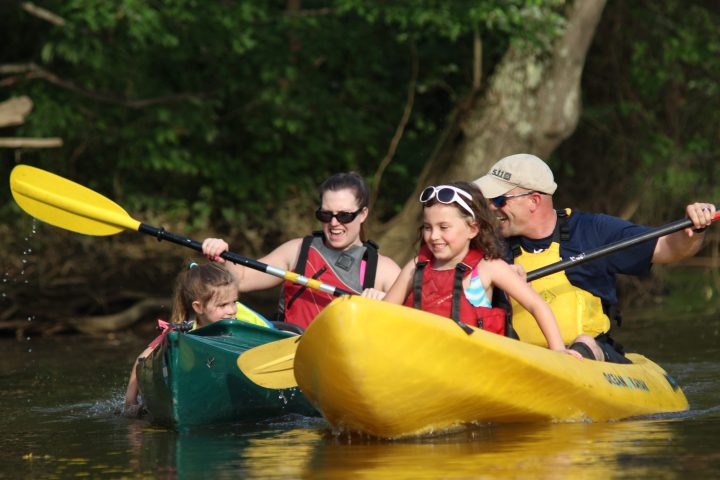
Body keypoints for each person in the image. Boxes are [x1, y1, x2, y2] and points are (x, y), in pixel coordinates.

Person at [473, 153, 716, 363]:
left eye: (498, 200)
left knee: (585, 342)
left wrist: (694, 231)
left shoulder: (593, 231)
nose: (491, 208)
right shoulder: (490, 246)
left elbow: (668, 248)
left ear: (534, 201)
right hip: (519, 360)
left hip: (590, 359)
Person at [383, 181, 582, 359]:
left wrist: (558, 351)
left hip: (473, 363)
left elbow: (537, 305)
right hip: (420, 357)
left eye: (444, 227)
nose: (434, 236)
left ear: (472, 229)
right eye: (428, 227)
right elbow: (383, 313)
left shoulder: (488, 268)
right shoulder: (416, 266)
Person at [202, 172, 402, 330]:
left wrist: (387, 302)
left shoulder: (383, 270)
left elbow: (415, 320)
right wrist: (223, 255)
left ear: (363, 214)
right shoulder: (297, 250)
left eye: (344, 216)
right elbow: (242, 278)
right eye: (325, 214)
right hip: (289, 357)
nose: (333, 223)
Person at [123, 262, 270, 417]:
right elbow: (143, 358)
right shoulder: (181, 334)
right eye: (223, 305)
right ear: (198, 307)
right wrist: (130, 402)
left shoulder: (242, 326)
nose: (232, 310)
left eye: (234, 302)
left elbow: (275, 338)